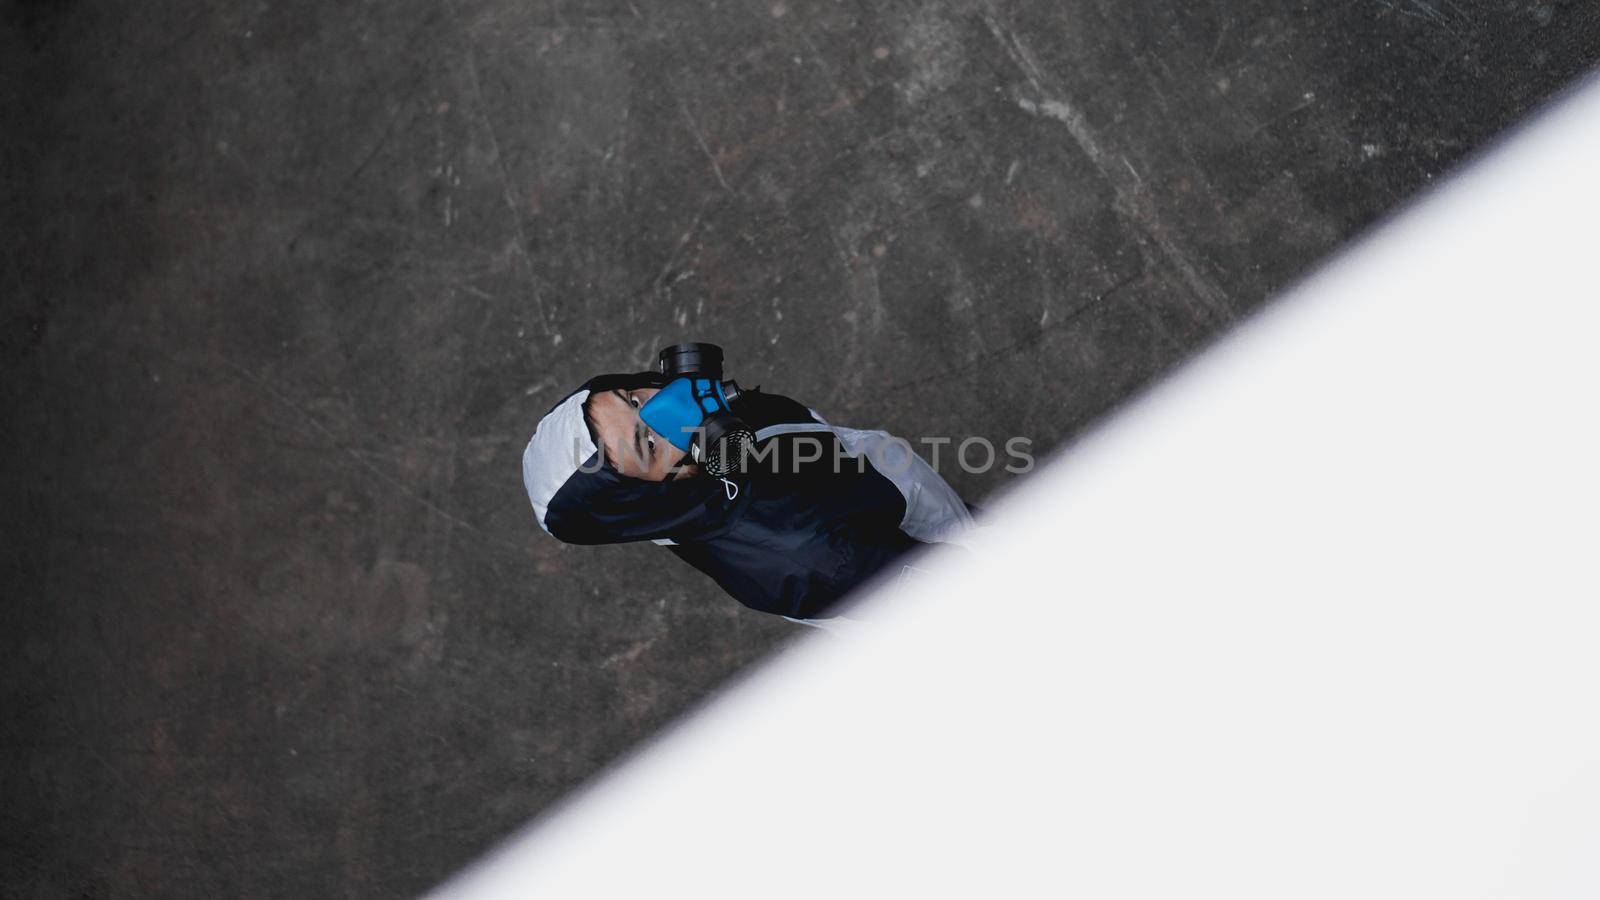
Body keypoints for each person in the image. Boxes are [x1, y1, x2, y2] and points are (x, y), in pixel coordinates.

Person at [520, 359, 975, 626]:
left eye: (632, 399)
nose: (667, 407)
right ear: (650, 502)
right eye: (650, 443)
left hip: (869, 482)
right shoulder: (811, 562)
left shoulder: (708, 458)